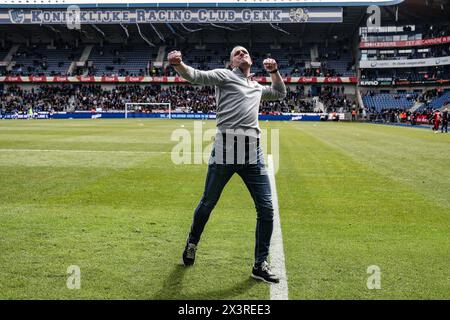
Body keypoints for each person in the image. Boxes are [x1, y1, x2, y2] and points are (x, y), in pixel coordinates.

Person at [167, 46, 286, 284]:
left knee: (266, 209)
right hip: (224, 152)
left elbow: (279, 93)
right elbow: (195, 76)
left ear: (251, 60)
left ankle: (259, 264)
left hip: (254, 155)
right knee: (208, 202)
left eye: (245, 52)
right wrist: (177, 64)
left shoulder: (255, 87)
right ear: (231, 62)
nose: (242, 54)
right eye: (236, 53)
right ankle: (192, 242)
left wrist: (275, 72)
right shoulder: (225, 76)